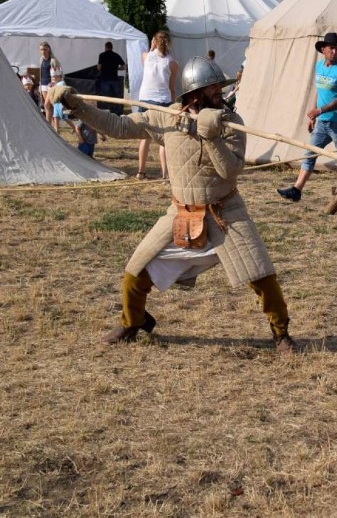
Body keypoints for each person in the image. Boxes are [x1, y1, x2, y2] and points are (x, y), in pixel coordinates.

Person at [49, 57, 298, 355]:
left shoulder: (230, 123)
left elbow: (229, 171)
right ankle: (133, 322)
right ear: (195, 93)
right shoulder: (166, 120)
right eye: (213, 87)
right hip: (181, 213)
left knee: (262, 277)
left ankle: (281, 334)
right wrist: (78, 106)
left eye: (220, 85)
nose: (220, 90)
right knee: (135, 274)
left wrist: (211, 135)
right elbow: (116, 125)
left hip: (225, 213)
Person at [277, 32, 337, 207]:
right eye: (331, 48)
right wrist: (314, 114)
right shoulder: (319, 66)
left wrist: (320, 110)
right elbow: (319, 90)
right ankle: (296, 190)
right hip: (322, 121)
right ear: (323, 49)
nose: (334, 51)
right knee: (309, 155)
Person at [137, 31, 179, 180]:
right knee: (164, 139)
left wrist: (151, 47)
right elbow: (172, 88)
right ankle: (165, 174)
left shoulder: (145, 56)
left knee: (145, 137)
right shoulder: (173, 64)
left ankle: (141, 172)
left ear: (154, 41)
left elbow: (148, 56)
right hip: (162, 101)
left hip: (145, 99)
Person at [49, 69, 85, 143]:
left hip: (61, 105)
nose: (54, 78)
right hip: (56, 105)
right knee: (56, 123)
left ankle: (80, 138)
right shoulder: (54, 84)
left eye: (55, 76)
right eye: (53, 77)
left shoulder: (62, 83)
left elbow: (62, 92)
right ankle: (57, 140)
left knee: (68, 121)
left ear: (59, 76)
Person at [97, 41, 126, 115]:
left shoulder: (102, 55)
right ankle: (117, 113)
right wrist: (117, 68)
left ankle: (106, 113)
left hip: (104, 79)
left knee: (105, 98)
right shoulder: (116, 55)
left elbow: (99, 67)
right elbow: (124, 67)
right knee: (116, 97)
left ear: (105, 47)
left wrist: (100, 68)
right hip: (114, 79)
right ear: (112, 47)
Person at [37, 42, 61, 126]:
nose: (43, 51)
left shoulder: (53, 60)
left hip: (51, 85)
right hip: (43, 85)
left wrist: (56, 84)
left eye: (44, 49)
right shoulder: (41, 60)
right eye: (41, 49)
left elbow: (59, 74)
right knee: (47, 106)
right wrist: (40, 85)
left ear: (49, 49)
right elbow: (41, 73)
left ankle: (57, 125)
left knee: (50, 105)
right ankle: (49, 126)